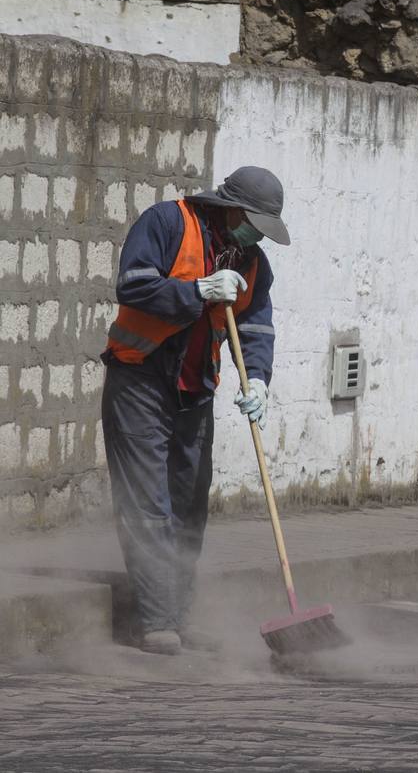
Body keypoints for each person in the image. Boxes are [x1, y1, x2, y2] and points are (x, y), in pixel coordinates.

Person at [102, 166, 290, 655]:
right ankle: (157, 620)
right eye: (252, 223)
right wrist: (197, 290)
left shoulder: (253, 263)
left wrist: (261, 382)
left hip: (195, 389)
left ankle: (180, 614)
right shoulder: (165, 224)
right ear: (229, 208)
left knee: (188, 509)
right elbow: (133, 284)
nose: (256, 236)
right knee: (149, 506)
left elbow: (255, 329)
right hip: (139, 380)